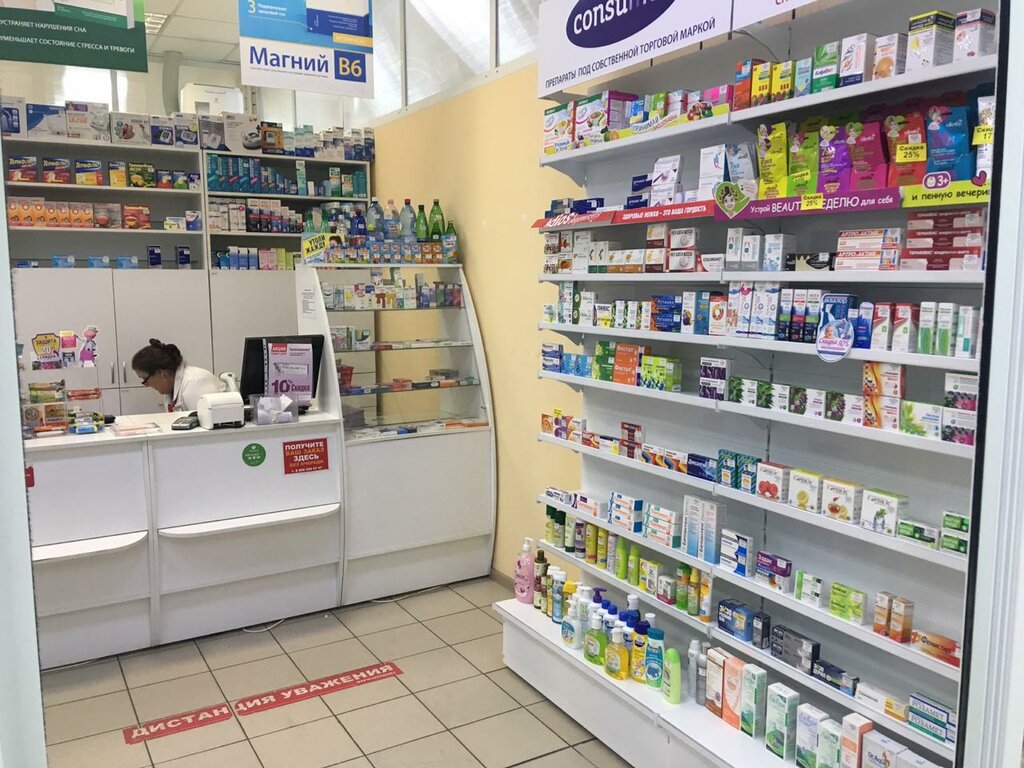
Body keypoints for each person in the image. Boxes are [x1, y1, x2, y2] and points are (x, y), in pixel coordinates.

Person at [132, 339, 223, 412]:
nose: (146, 385)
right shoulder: (171, 389)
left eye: (145, 379)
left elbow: (209, 427)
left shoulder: (195, 384)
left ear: (160, 373)